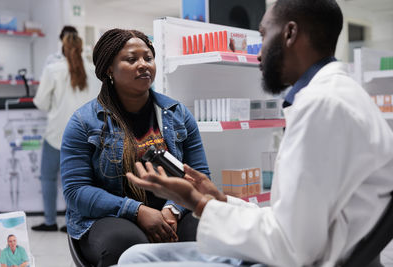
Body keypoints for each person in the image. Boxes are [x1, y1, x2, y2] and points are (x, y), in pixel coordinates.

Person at [118, 0, 393, 266]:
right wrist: (220, 200)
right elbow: (291, 220)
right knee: (135, 256)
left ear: (290, 33)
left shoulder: (323, 106)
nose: (259, 52)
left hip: (297, 258)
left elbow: (292, 247)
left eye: (264, 35)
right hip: (295, 247)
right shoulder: (335, 94)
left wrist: (197, 202)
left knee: (133, 263)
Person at [60, 28, 210, 266]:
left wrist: (171, 210)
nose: (143, 65)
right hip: (109, 216)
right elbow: (76, 192)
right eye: (131, 59)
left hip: (172, 212)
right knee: (126, 244)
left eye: (148, 58)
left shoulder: (177, 114)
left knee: (209, 230)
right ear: (109, 68)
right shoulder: (83, 123)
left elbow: (200, 176)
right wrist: (137, 211)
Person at [32, 32, 100, 232]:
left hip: (57, 134)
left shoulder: (52, 70)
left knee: (48, 178)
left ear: (62, 48)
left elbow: (41, 102)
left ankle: (50, 221)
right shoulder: (92, 69)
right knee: (81, 180)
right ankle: (76, 221)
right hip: (85, 134)